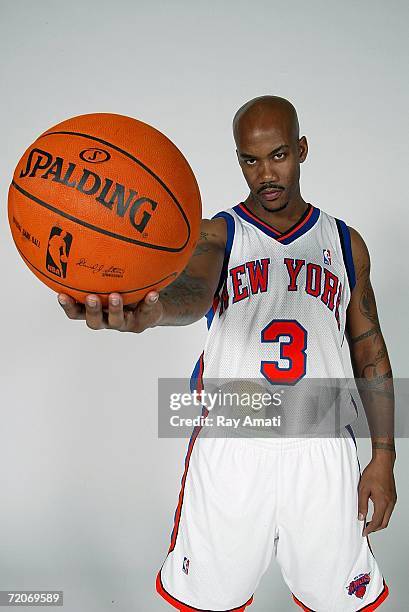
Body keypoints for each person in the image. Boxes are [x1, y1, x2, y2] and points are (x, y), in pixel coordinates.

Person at [58, 96, 397, 611]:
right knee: (211, 600)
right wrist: (145, 313)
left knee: (339, 601)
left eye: (278, 155)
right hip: (234, 441)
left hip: (323, 444)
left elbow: (370, 351)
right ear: (238, 159)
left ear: (302, 150)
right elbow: (189, 297)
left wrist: (384, 456)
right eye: (250, 160)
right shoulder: (219, 233)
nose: (266, 174)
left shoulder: (346, 245)